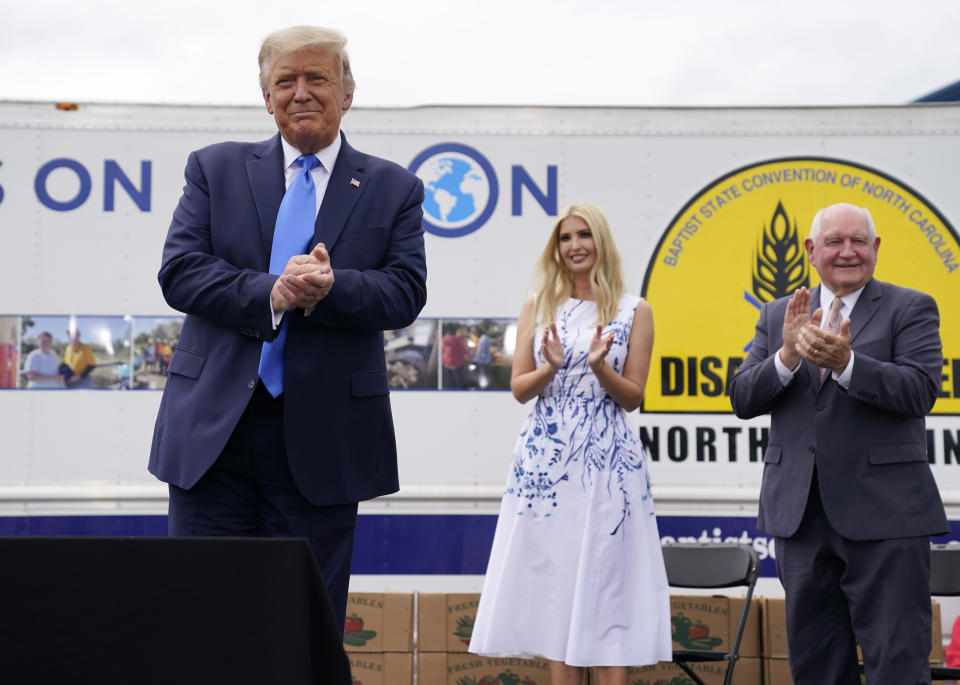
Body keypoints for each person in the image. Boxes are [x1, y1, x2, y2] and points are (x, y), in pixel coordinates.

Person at [147, 25, 427, 636]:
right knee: (199, 626)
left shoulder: (393, 188)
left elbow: (405, 291)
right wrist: (270, 292)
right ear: (266, 96)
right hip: (212, 439)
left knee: (301, 631)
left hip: (322, 444)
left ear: (346, 93)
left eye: (318, 78)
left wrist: (333, 288)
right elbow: (180, 271)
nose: (302, 92)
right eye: (286, 81)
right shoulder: (213, 169)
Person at [729, 202, 947, 684]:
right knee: (817, 667)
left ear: (876, 249)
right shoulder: (777, 315)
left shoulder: (910, 307)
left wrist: (849, 365)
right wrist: (786, 356)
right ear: (810, 250)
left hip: (886, 517)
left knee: (897, 663)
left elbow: (921, 391)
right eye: (834, 241)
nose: (848, 252)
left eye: (858, 242)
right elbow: (742, 398)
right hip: (802, 519)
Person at [469, 202, 671, 685]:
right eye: (565, 238)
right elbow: (519, 388)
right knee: (556, 585)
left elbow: (633, 397)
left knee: (607, 584)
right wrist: (551, 367)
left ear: (601, 242)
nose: (575, 245)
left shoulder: (634, 309)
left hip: (608, 461)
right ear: (556, 248)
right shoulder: (538, 306)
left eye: (584, 235)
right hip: (546, 460)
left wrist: (601, 368)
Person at [441, 323, 469, 389]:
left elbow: (443, 349)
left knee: (450, 382)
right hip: (457, 364)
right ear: (454, 330)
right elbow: (465, 351)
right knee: (459, 382)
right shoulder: (456, 340)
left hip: (446, 363)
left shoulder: (444, 338)